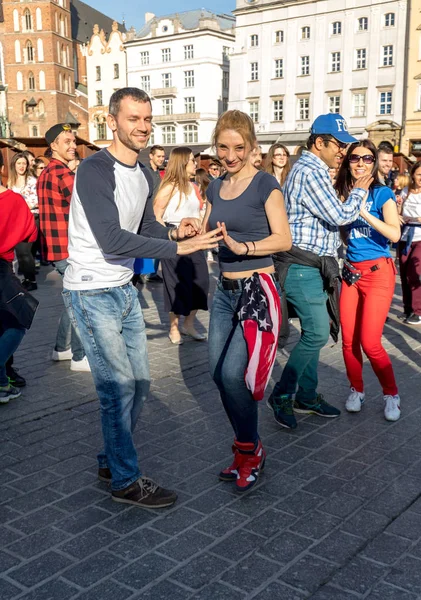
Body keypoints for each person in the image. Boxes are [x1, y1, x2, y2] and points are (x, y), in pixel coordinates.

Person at [62, 87, 222, 508]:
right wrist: (177, 250)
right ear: (112, 122)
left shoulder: (145, 173)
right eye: (134, 119)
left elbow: (146, 226)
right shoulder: (95, 169)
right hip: (91, 290)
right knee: (117, 390)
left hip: (123, 289)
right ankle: (125, 481)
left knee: (140, 383)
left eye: (147, 119)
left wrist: (175, 231)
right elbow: (112, 237)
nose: (143, 127)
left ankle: (110, 459)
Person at [203, 110, 292, 492]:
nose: (230, 154)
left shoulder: (264, 184)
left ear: (252, 146)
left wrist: (246, 246)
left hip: (257, 290)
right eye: (223, 146)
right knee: (216, 374)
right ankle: (247, 449)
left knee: (231, 374)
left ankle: (249, 449)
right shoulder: (213, 187)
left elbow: (283, 239)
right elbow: (208, 229)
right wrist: (191, 228)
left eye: (239, 147)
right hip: (223, 293)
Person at [267, 113, 373, 430]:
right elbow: (340, 215)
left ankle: (307, 396)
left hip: (312, 265)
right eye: (338, 144)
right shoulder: (310, 171)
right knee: (315, 332)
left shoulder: (314, 170)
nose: (343, 150)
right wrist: (359, 189)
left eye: (344, 145)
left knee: (313, 333)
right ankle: (283, 394)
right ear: (319, 142)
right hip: (302, 265)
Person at [335, 140, 401, 421]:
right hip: (351, 273)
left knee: (370, 342)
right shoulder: (340, 193)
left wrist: (360, 211)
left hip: (377, 274)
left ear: (374, 162)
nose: (360, 163)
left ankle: (391, 394)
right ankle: (356, 390)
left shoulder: (381, 193)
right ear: (347, 163)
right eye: (354, 158)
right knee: (348, 341)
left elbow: (394, 234)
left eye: (367, 158)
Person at [37, 123, 88, 372]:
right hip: (69, 248)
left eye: (73, 140)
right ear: (53, 145)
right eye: (66, 141)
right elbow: (87, 202)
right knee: (82, 300)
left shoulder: (47, 172)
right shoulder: (62, 173)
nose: (73, 146)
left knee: (72, 297)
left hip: (57, 248)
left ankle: (61, 348)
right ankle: (80, 356)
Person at [154, 148, 209, 344]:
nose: (196, 164)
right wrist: (167, 236)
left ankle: (189, 323)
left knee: (202, 282)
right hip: (174, 239)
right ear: (182, 163)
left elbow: (199, 210)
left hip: (194, 240)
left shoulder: (192, 186)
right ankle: (174, 327)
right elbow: (156, 217)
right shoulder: (169, 186)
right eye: (192, 161)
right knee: (175, 284)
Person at [0, 150, 37, 402]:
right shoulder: (13, 200)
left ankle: (2, 384)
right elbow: (30, 234)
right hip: (1, 267)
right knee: (18, 320)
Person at [8, 153, 39, 291]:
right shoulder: (11, 182)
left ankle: (32, 281)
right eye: (19, 163)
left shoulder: (32, 181)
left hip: (30, 218)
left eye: (24, 163)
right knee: (20, 252)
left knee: (25, 251)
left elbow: (36, 202)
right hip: (15, 220)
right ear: (14, 165)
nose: (21, 166)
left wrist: (20, 205)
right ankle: (26, 279)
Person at [398, 161, 421, 325]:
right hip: (405, 236)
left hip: (420, 237)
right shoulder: (405, 191)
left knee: (415, 272)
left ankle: (418, 311)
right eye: (419, 174)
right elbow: (398, 212)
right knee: (404, 274)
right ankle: (408, 309)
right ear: (413, 174)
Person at [140, 145, 166, 283]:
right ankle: (145, 272)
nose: (161, 159)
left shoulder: (158, 172)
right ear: (151, 156)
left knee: (157, 241)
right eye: (159, 156)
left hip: (156, 212)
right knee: (149, 241)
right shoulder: (145, 171)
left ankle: (150, 273)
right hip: (146, 212)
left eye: (163, 156)